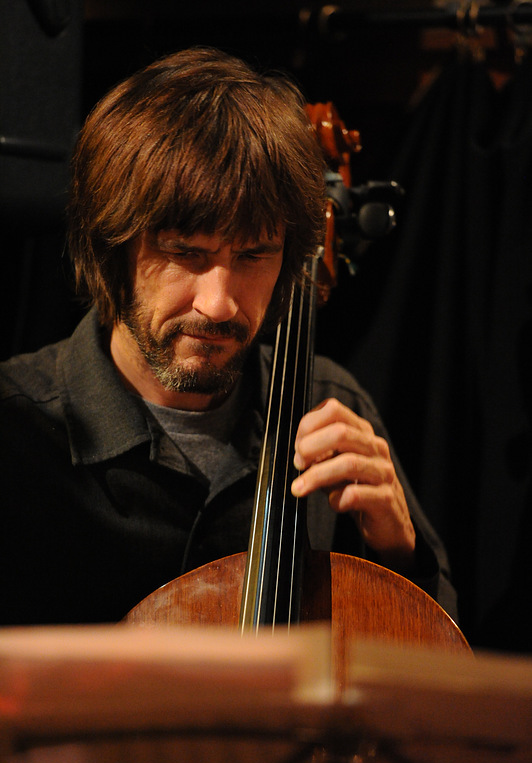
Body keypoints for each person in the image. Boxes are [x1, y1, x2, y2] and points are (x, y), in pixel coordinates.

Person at [0, 46, 457, 626]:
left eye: (253, 255)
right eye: (185, 253)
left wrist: (398, 549)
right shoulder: (15, 435)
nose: (219, 303)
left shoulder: (328, 405)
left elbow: (429, 656)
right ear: (113, 249)